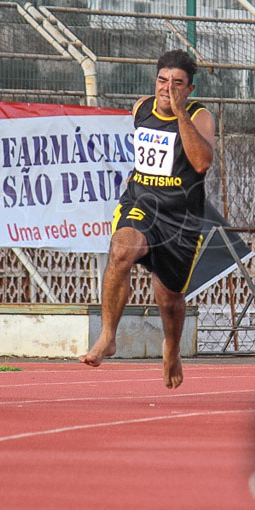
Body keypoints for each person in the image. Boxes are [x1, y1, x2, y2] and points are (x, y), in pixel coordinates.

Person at [80, 50, 215, 389]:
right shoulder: (141, 108)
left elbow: (201, 164)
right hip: (141, 203)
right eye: (162, 80)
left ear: (190, 89)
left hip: (180, 217)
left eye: (177, 83)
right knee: (121, 251)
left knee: (169, 299)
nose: (167, 88)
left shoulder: (200, 117)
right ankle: (108, 336)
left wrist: (181, 113)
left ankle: (171, 348)